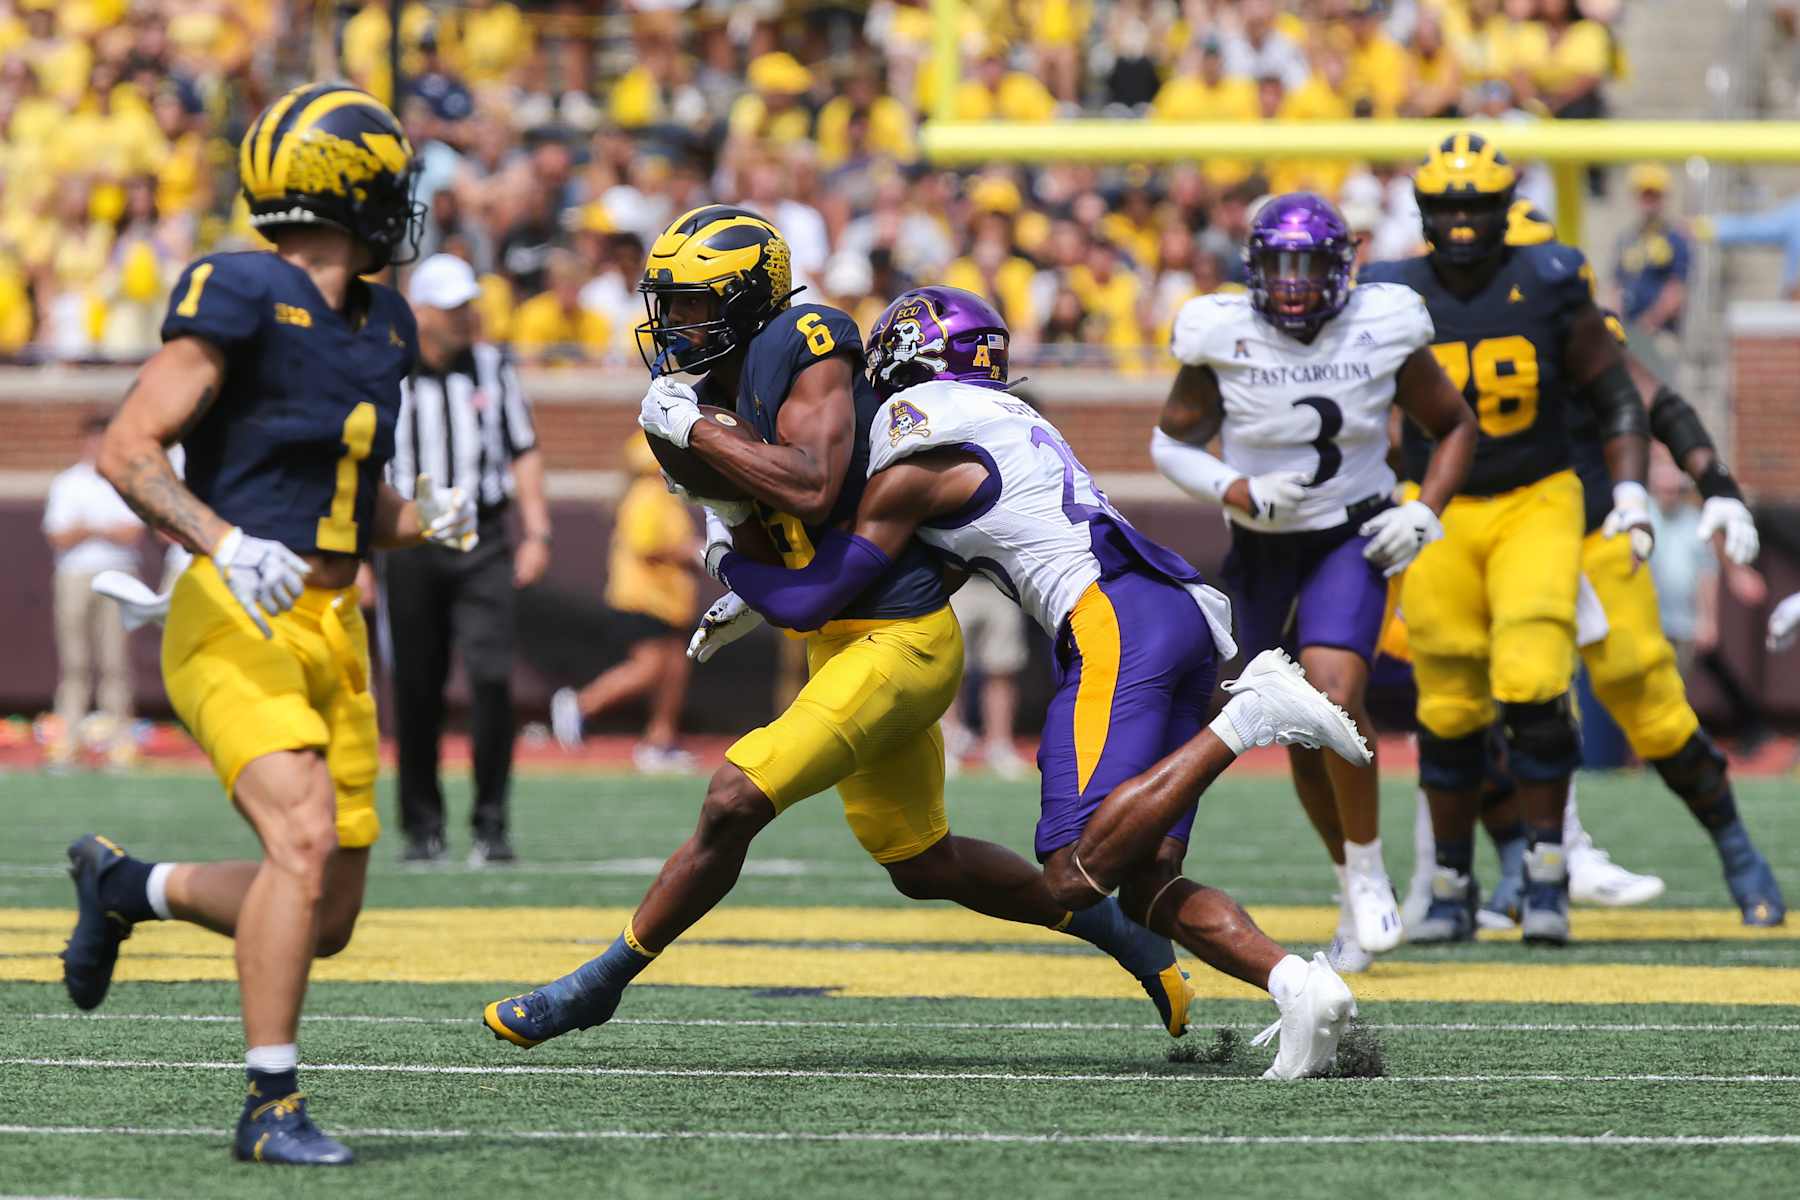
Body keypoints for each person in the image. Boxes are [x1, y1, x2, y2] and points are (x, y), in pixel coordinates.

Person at [485, 207, 1197, 1053]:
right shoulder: (703, 394)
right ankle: (1125, 936)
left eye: (691, 306)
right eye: (667, 306)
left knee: (732, 799)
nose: (673, 326)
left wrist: (709, 461)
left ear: (751, 298)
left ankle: (597, 985)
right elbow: (764, 533)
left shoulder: (808, 338)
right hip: (838, 637)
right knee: (922, 863)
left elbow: (815, 487)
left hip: (898, 640)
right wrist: (720, 512)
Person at [701, 286, 1374, 1077]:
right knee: (1146, 879)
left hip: (1114, 619)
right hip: (1174, 610)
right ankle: (1298, 988)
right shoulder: (1010, 423)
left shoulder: (909, 446)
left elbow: (816, 596)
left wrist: (727, 557)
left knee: (1071, 872)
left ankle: (1249, 714)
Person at [57, 83, 477, 1165]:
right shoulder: (238, 288)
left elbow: (348, 509)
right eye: (390, 187)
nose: (403, 206)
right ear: (354, 195)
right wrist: (223, 542)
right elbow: (130, 449)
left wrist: (423, 516)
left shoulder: (383, 321)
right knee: (297, 840)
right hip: (232, 607)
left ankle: (129, 886)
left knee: (325, 911)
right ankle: (268, 1105)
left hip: (334, 625)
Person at [1402, 202, 1784, 928]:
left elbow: (1656, 405)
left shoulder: (1577, 325)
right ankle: (1516, 862)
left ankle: (1734, 847)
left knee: (1649, 701)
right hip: (1485, 529)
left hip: (1590, 532)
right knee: (1465, 703)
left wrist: (1718, 487)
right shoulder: (1436, 326)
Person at [1152, 193, 1476, 973]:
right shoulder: (1221, 331)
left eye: (1308, 266)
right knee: (1291, 723)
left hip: (1348, 534)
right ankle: (1348, 883)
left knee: (1333, 691)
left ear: (1344, 268)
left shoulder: (1385, 322)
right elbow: (1171, 443)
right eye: (1278, 265)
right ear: (1253, 268)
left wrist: (1425, 510)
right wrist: (1234, 487)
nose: (1293, 284)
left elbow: (1455, 425)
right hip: (1263, 546)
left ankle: (1368, 873)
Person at [1358, 133, 1652, 945]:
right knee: (1446, 700)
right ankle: (1452, 882)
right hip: (1436, 504)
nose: (1458, 222)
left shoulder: (1548, 280)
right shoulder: (1387, 291)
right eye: (1446, 206)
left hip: (1535, 496)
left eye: (1474, 206)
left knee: (1530, 677)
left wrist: (1628, 490)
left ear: (1499, 208)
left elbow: (1616, 395)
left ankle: (1548, 868)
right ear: (1423, 211)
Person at [381, 251, 551, 866]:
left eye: (466, 306)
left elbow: (523, 448)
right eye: (451, 307)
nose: (464, 318)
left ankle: (491, 825)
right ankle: (422, 828)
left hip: (482, 539)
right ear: (419, 312)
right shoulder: (386, 369)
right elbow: (366, 462)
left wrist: (537, 533)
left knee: (490, 679)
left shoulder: (491, 366)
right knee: (417, 688)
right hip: (408, 541)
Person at [550, 431, 699, 771]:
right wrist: (691, 552)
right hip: (644, 598)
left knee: (675, 669)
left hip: (668, 598)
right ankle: (581, 704)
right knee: (648, 668)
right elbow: (648, 546)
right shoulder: (647, 494)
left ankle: (660, 740)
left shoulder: (665, 497)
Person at [43, 413, 145, 767]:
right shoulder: (68, 482)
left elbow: (131, 533)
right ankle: (66, 744)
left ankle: (120, 745)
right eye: (93, 440)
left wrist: (86, 528)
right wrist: (102, 529)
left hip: (119, 574)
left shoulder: (127, 480)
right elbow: (59, 536)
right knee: (75, 662)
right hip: (75, 576)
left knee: (115, 661)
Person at [942, 575, 1032, 777]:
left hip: (1000, 579)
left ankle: (999, 746)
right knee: (950, 668)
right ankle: (949, 746)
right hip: (956, 578)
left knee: (1003, 669)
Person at [1614, 164, 1690, 338]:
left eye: (1653, 195)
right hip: (1628, 330)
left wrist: (1650, 322)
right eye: (1644, 194)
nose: (1648, 201)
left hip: (1660, 333)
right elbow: (1616, 285)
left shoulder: (1675, 239)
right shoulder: (1627, 238)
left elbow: (1676, 290)